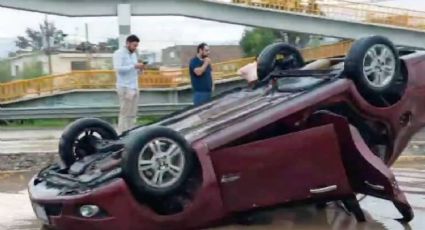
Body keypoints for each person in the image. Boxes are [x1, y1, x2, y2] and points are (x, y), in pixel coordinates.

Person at [113, 35, 144, 133]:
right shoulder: (119, 54)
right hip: (125, 86)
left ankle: (132, 131)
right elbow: (118, 69)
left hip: (134, 86)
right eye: (134, 45)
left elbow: (134, 70)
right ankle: (122, 132)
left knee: (133, 112)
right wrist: (134, 66)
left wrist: (140, 68)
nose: (135, 48)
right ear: (128, 43)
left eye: (136, 46)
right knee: (125, 112)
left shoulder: (134, 54)